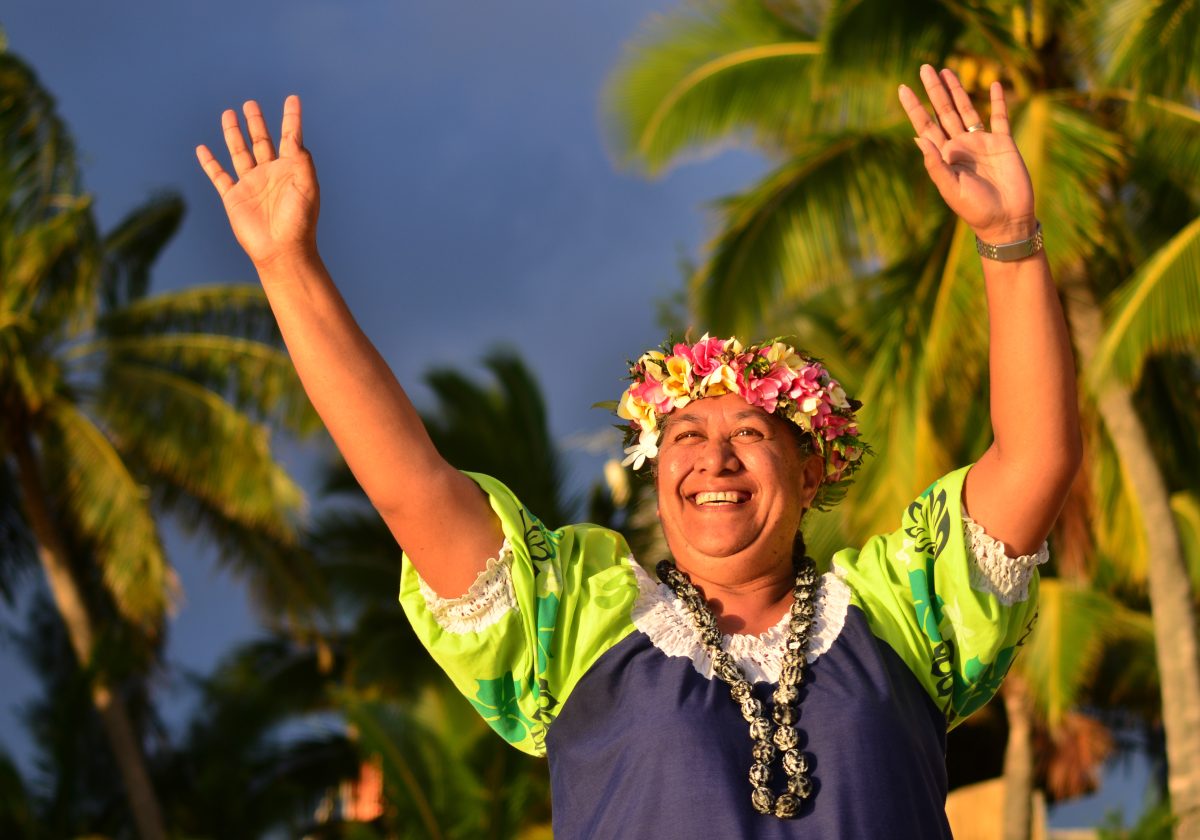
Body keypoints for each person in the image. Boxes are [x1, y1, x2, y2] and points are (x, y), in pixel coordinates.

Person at [197, 64, 1081, 839]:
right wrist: (287, 266)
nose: (715, 459)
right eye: (686, 438)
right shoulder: (576, 622)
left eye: (749, 434)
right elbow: (410, 490)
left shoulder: (904, 609)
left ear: (810, 469)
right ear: (656, 474)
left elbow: (1036, 460)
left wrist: (1008, 239)